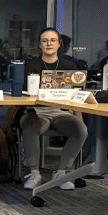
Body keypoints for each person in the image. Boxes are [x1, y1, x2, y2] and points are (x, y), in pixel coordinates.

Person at [20, 27, 88, 190]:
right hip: (38, 111)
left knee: (81, 130)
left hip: (61, 112)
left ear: (59, 44)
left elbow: (76, 95)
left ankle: (61, 172)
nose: (48, 43)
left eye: (52, 40)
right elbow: (24, 95)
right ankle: (34, 173)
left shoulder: (69, 65)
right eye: (45, 40)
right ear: (40, 45)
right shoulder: (32, 65)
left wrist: (78, 116)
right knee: (30, 125)